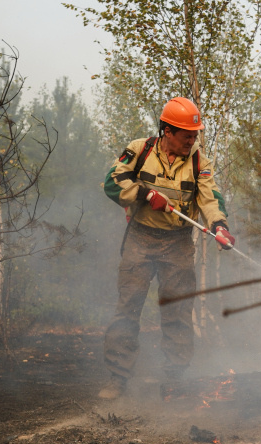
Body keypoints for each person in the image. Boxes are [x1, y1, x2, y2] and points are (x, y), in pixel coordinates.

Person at [99, 97, 235, 399]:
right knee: (128, 307)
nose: (192, 140)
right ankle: (117, 378)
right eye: (187, 134)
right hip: (140, 238)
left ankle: (175, 380)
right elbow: (111, 182)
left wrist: (219, 227)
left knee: (178, 312)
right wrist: (146, 196)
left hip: (178, 244)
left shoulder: (199, 162)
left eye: (195, 134)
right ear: (167, 131)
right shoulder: (140, 150)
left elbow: (210, 198)